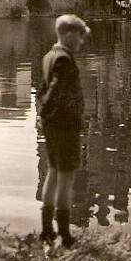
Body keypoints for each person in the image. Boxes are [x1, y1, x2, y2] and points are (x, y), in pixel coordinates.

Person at [36, 14, 90, 247]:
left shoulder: (50, 56)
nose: (81, 42)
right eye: (79, 37)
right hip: (64, 125)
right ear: (67, 35)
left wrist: (41, 115)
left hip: (52, 125)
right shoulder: (64, 60)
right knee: (66, 178)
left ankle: (47, 229)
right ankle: (65, 235)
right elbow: (56, 91)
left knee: (54, 171)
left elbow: (41, 91)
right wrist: (48, 113)